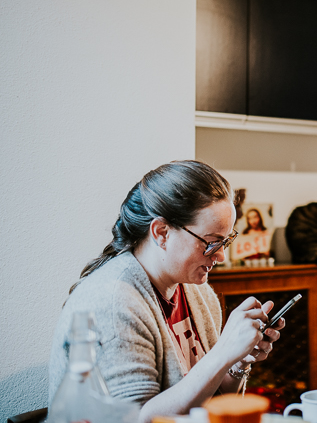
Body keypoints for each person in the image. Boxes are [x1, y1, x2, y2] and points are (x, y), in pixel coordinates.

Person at [48, 160, 285, 423]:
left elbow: (211, 400)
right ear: (162, 232)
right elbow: (138, 420)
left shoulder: (199, 293)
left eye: (226, 240)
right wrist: (223, 352)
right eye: (211, 242)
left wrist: (239, 360)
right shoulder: (113, 303)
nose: (221, 255)